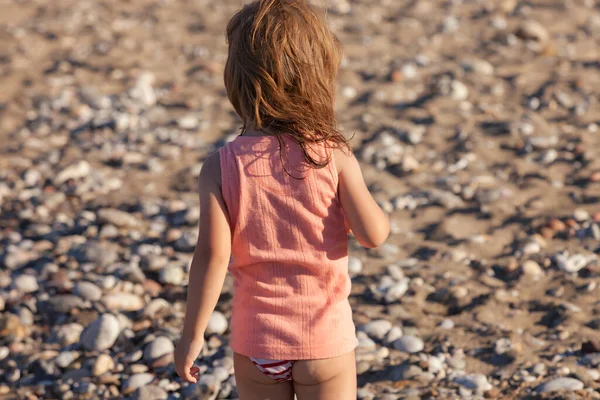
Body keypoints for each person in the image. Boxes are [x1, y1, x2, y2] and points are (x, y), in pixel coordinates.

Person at [174, 1, 390, 399]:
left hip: (258, 342)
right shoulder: (333, 155)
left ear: (238, 80)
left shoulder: (220, 167)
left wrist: (193, 334)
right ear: (319, 75)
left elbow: (211, 256)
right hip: (324, 341)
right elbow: (373, 235)